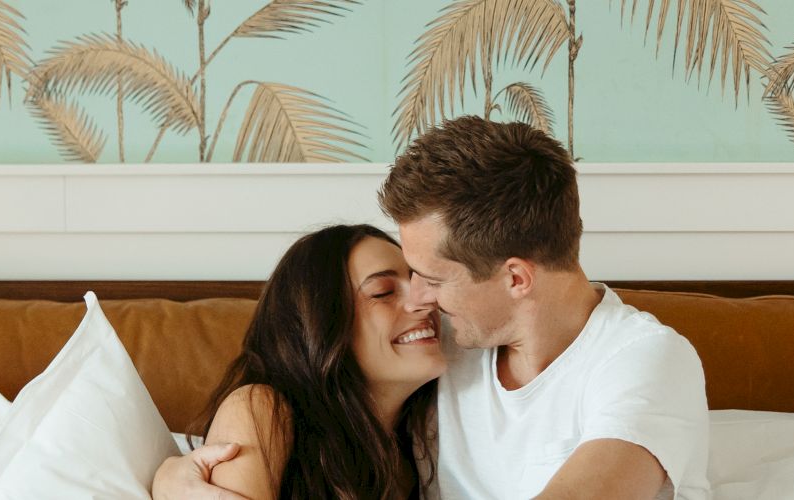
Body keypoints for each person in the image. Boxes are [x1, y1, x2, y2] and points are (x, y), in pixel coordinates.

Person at [158, 116, 710, 499]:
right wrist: (172, 477)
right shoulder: (446, 344)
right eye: (394, 284)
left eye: (433, 278)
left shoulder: (643, 360)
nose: (420, 300)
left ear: (515, 278)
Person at [188, 224, 446, 499]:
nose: (426, 301)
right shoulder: (258, 410)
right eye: (382, 292)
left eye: (422, 283)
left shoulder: (416, 444)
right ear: (322, 326)